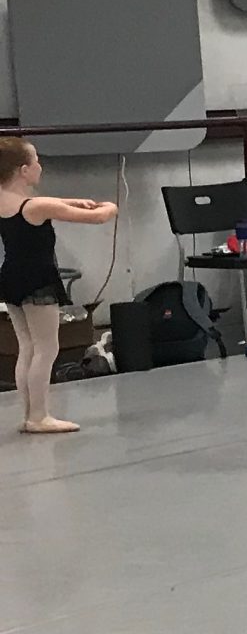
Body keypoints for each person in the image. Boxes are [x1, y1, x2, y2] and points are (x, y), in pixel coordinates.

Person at [0, 136, 114, 435]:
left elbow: (52, 204)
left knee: (27, 347)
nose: (40, 166)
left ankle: (30, 414)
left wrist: (71, 201)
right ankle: (39, 416)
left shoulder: (5, 200)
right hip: (38, 280)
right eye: (36, 160)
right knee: (47, 348)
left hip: (11, 277)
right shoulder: (35, 206)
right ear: (24, 170)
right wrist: (112, 206)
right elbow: (98, 217)